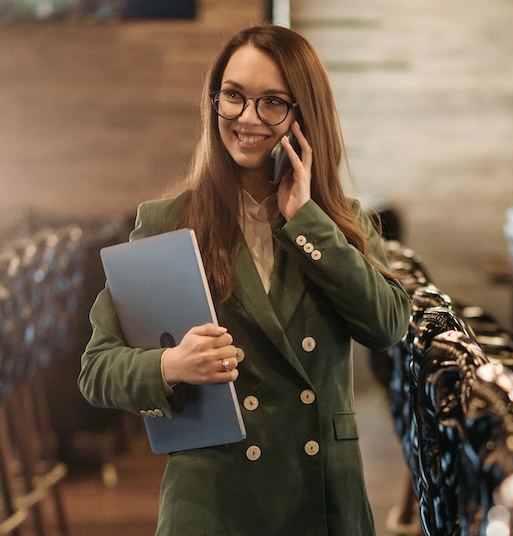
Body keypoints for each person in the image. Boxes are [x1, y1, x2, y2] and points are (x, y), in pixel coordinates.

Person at [78, 23, 412, 536]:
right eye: (233, 96)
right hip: (215, 500)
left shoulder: (341, 222)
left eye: (272, 102)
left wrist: (308, 222)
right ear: (214, 102)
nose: (248, 118)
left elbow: (388, 325)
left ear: (305, 116)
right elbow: (97, 369)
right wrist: (172, 363)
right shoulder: (168, 221)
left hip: (321, 494)